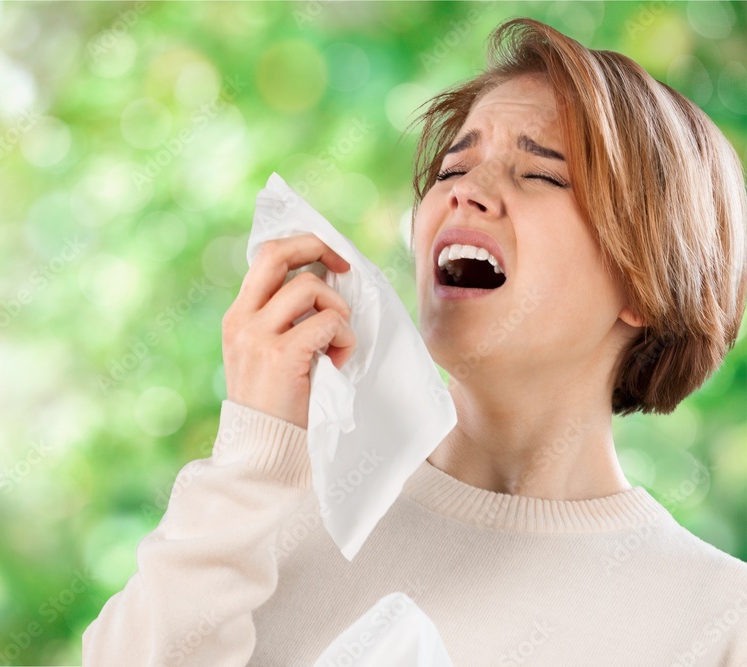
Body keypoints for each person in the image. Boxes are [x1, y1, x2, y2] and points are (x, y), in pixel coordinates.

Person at [83, 16, 747, 666]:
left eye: (540, 174)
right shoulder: (270, 512)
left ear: (647, 277)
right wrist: (253, 445)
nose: (468, 194)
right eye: (453, 169)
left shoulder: (719, 618)